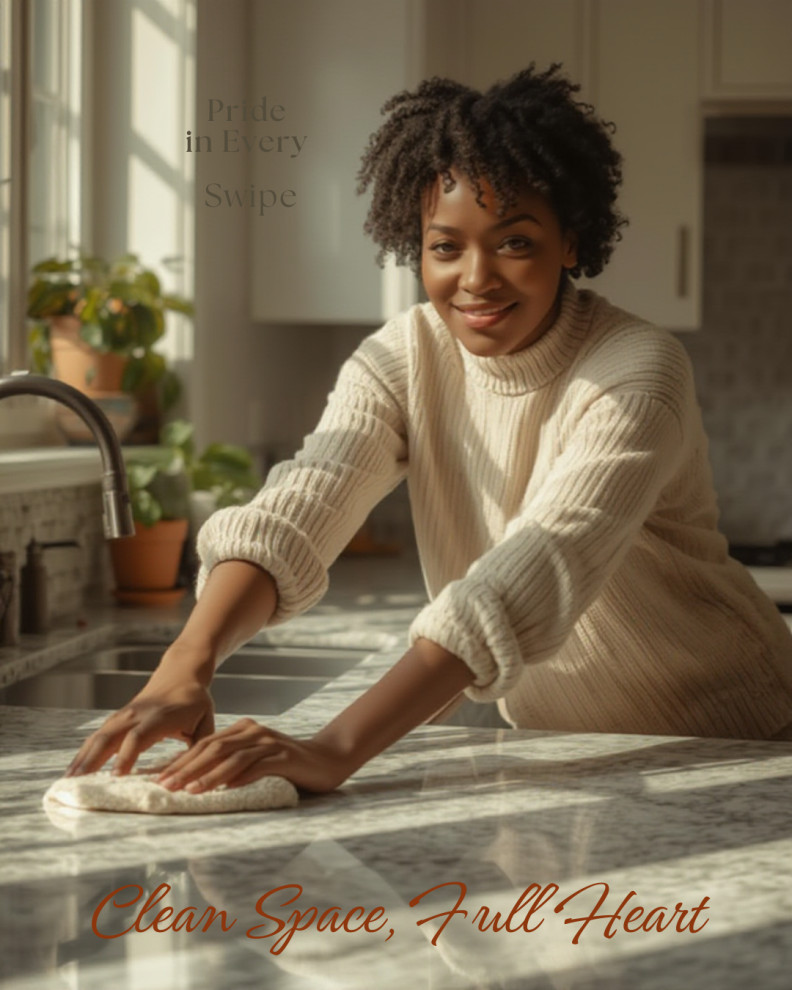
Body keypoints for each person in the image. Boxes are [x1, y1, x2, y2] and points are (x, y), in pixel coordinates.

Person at [67, 64, 792, 795]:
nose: (476, 278)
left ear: (571, 241)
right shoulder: (403, 356)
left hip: (745, 740)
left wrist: (334, 749)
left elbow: (532, 571)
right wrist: (183, 664)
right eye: (446, 247)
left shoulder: (639, 371)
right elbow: (297, 510)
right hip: (570, 759)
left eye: (513, 242)